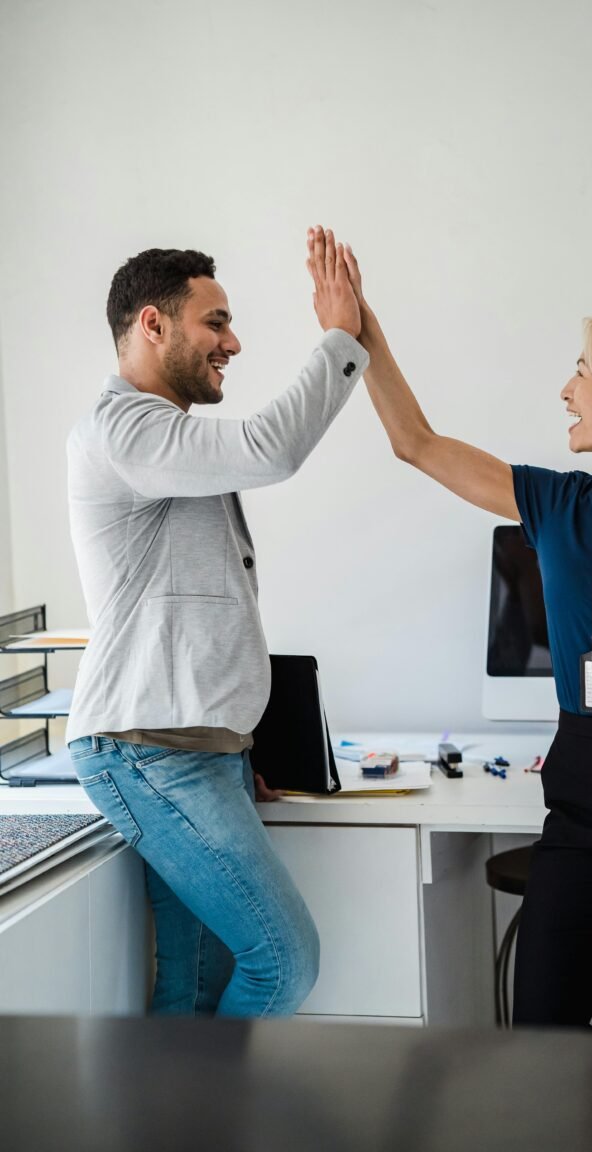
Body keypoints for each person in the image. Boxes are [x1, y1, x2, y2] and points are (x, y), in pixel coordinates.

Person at [306, 223, 592, 1037]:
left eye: (581, 371)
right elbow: (415, 443)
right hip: (582, 780)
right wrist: (358, 329)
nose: (565, 388)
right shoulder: (557, 504)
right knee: (542, 1023)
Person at [66, 238, 366, 1016]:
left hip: (193, 752)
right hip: (149, 754)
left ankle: (182, 1123)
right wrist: (341, 337)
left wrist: (234, 741)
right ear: (153, 324)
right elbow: (270, 447)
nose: (233, 343)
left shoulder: (167, 443)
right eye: (217, 322)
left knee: (195, 981)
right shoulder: (123, 432)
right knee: (284, 963)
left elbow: (194, 607)